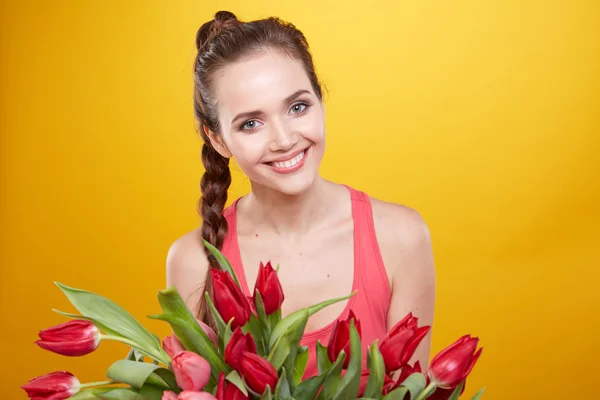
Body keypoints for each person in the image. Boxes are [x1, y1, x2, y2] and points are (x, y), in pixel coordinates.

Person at [166, 10, 436, 379]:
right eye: (250, 123)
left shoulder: (401, 236)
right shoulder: (192, 260)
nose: (284, 139)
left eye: (297, 107)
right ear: (217, 139)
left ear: (320, 101)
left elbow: (412, 389)